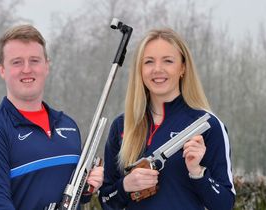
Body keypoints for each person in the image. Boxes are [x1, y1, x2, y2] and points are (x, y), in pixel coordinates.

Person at [98, 28, 235, 210]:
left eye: (168, 61)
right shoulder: (122, 126)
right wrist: (125, 186)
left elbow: (224, 204)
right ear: (140, 69)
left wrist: (197, 172)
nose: (157, 69)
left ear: (183, 67)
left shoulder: (207, 125)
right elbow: (106, 201)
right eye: (148, 62)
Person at [0, 24, 103, 210]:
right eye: (17, 62)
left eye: (34, 60)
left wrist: (87, 187)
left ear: (46, 66)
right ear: (1, 69)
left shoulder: (68, 126)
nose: (27, 69)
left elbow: (75, 198)